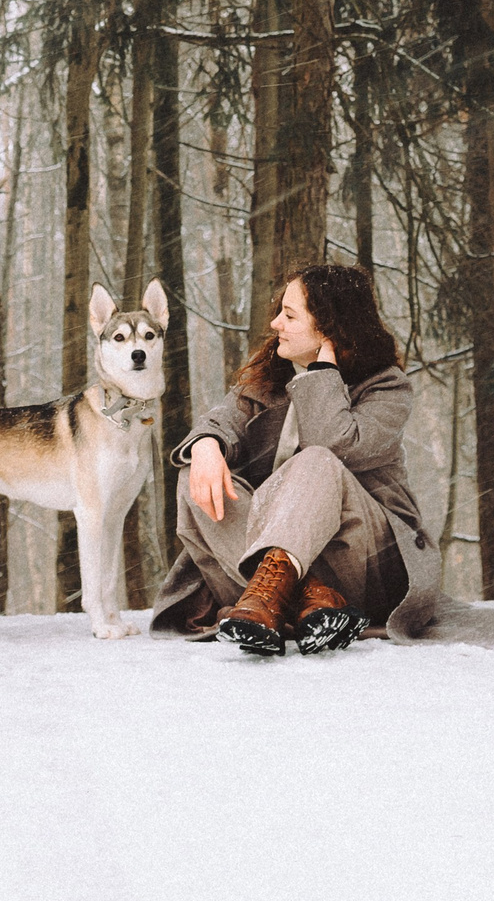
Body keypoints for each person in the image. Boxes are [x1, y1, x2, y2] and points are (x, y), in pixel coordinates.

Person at [150, 263, 435, 656]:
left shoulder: (386, 386)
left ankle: (289, 595)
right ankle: (307, 597)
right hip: (260, 591)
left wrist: (321, 374)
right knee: (195, 475)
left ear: (329, 328)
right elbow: (220, 420)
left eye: (289, 315)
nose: (274, 323)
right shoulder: (268, 377)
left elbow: (337, 445)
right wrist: (205, 447)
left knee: (316, 461)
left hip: (363, 565)